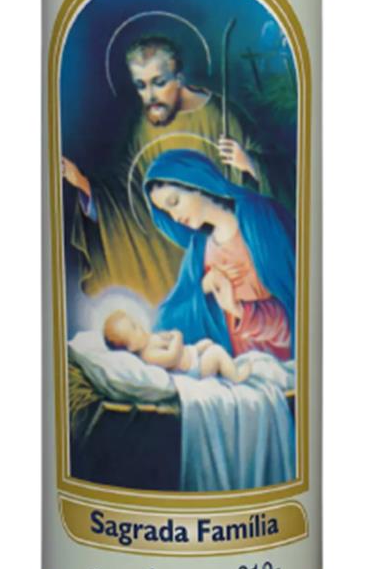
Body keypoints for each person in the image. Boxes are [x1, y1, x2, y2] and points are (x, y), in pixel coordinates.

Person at [60, 35, 270, 305]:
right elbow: (130, 191)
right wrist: (85, 185)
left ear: (179, 79)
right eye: (141, 85)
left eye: (159, 83)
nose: (150, 96)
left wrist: (249, 163)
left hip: (223, 250)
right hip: (165, 254)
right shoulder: (143, 127)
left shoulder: (222, 116)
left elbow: (273, 176)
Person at [144, 149, 294, 359]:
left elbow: (297, 300)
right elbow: (165, 322)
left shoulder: (259, 216)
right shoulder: (199, 249)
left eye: (174, 202)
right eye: (167, 212)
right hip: (238, 369)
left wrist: (238, 310)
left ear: (196, 182)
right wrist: (203, 288)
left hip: (286, 364)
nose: (175, 217)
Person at [102, 310, 250, 382]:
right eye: (134, 328)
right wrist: (177, 338)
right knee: (216, 352)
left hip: (191, 355)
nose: (139, 326)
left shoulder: (148, 340)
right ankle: (236, 376)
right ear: (131, 348)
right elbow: (172, 357)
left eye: (135, 323)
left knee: (207, 343)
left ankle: (225, 368)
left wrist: (167, 336)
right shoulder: (149, 355)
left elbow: (164, 340)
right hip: (193, 371)